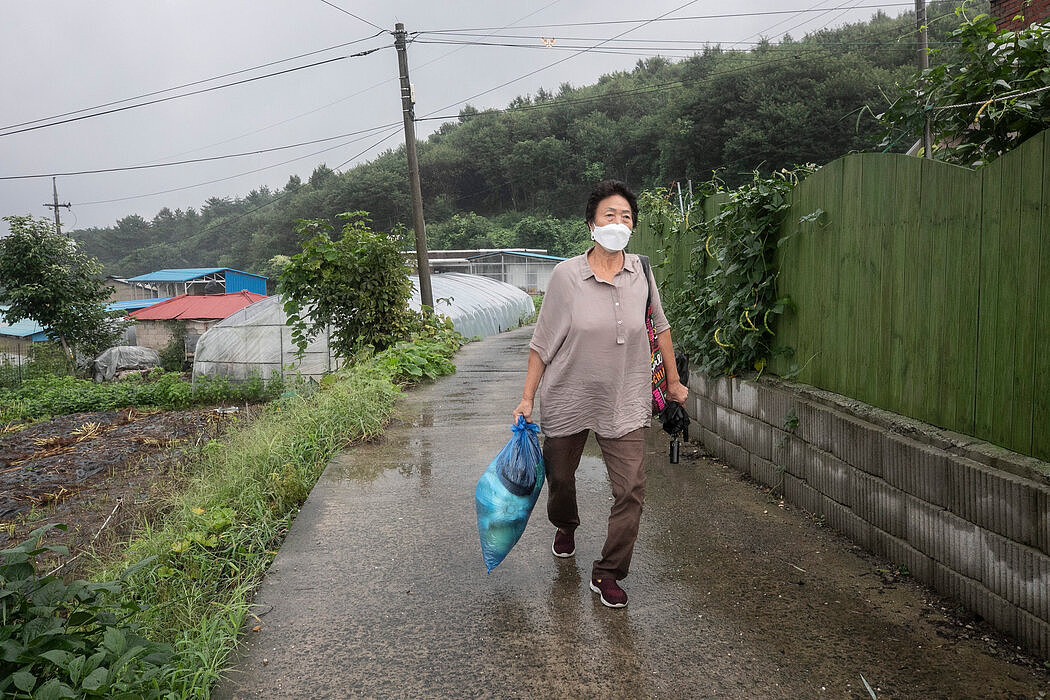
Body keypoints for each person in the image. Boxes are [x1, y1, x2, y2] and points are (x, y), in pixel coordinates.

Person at [513, 179, 688, 608]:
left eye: (626, 216)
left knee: (631, 489)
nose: (618, 222)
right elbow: (542, 341)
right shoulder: (566, 276)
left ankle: (608, 572)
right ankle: (566, 524)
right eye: (610, 215)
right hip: (568, 398)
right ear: (591, 223)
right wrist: (526, 398)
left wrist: (672, 380)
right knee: (560, 479)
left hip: (625, 400)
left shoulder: (641, 273)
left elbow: (660, 328)